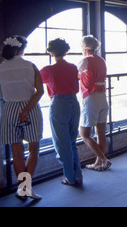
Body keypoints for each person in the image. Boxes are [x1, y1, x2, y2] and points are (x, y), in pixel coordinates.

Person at [0, 36, 44, 200]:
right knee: (33, 149)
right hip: (29, 108)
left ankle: (22, 188)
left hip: (8, 109)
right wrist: (26, 109)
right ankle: (26, 188)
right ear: (21, 49)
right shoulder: (30, 66)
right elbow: (40, 92)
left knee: (16, 152)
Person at [40, 38, 82, 186]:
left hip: (58, 104)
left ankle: (70, 177)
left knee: (61, 143)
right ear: (65, 51)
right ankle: (77, 175)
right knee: (72, 142)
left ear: (51, 53)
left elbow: (36, 82)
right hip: (74, 102)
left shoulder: (47, 70)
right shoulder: (72, 67)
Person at [78, 35, 111, 171]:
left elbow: (76, 74)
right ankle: (99, 163)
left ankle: (103, 159)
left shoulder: (85, 60)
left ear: (84, 47)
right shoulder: (101, 60)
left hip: (91, 97)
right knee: (101, 132)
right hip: (103, 96)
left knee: (84, 133)